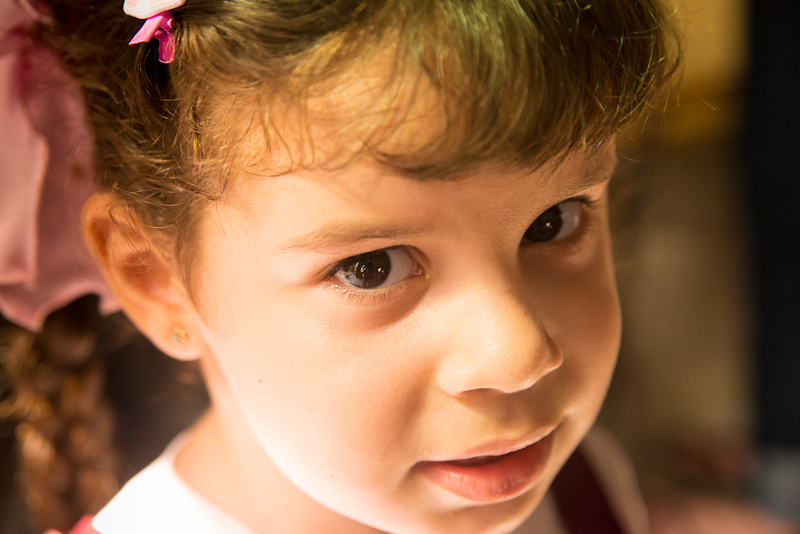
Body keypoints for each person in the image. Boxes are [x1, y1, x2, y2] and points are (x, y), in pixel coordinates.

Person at [1, 0, 680, 533]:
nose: (519, 354)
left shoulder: (581, 484)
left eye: (553, 222)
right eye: (372, 268)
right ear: (158, 281)